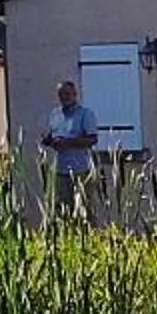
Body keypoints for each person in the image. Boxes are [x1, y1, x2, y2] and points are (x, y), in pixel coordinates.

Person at [41, 80, 102, 218]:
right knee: (63, 211)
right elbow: (53, 136)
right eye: (61, 94)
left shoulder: (85, 114)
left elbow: (92, 139)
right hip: (60, 171)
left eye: (67, 94)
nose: (65, 97)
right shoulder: (55, 115)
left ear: (75, 95)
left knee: (84, 211)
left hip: (80, 170)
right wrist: (49, 141)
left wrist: (67, 143)